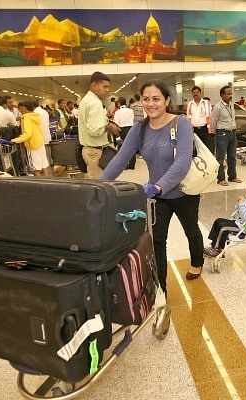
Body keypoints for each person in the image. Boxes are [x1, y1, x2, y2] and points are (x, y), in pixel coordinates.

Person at [100, 79, 205, 293]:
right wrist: (97, 185)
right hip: (157, 197)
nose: (151, 104)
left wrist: (159, 185)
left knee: (191, 230)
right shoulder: (139, 129)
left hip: (184, 192)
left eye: (156, 99)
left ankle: (197, 261)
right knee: (157, 242)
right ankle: (162, 290)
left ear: (167, 100)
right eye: (146, 99)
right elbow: (120, 160)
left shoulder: (181, 123)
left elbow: (183, 161)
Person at [204, 177, 246, 256]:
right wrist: (239, 203)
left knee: (223, 227)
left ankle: (217, 249)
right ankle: (214, 243)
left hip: (244, 228)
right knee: (218, 221)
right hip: (239, 223)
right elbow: (240, 211)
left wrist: (242, 204)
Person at [78, 71, 120, 179]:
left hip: (91, 150)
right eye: (104, 86)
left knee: (98, 184)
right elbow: (94, 131)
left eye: (108, 87)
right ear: (94, 85)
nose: (107, 90)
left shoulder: (86, 100)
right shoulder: (94, 103)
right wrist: (109, 127)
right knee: (101, 187)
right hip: (95, 152)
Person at [210, 85, 242, 186]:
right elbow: (213, 121)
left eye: (231, 93)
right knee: (220, 157)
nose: (230, 95)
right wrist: (215, 133)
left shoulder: (231, 105)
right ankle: (221, 178)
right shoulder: (217, 107)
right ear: (222, 95)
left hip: (232, 133)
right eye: (228, 94)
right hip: (222, 134)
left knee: (232, 156)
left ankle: (232, 176)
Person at [12, 101, 50, 176]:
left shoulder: (26, 118)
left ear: (25, 108)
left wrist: (15, 140)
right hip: (40, 142)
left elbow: (28, 133)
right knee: (44, 165)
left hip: (32, 145)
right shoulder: (36, 116)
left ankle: (41, 186)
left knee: (36, 167)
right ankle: (49, 183)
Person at [186, 86, 213, 154]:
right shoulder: (190, 104)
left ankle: (208, 164)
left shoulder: (206, 103)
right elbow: (188, 116)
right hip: (194, 130)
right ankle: (198, 164)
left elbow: (211, 116)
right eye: (194, 92)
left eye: (197, 92)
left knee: (207, 150)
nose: (195, 94)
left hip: (205, 129)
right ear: (192, 94)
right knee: (195, 150)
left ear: (200, 93)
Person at [113, 97, 136, 170]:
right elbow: (133, 120)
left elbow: (116, 123)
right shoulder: (131, 111)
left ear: (119, 103)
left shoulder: (118, 112)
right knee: (132, 147)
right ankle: (132, 165)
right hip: (131, 129)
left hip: (121, 130)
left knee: (122, 147)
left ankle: (124, 165)